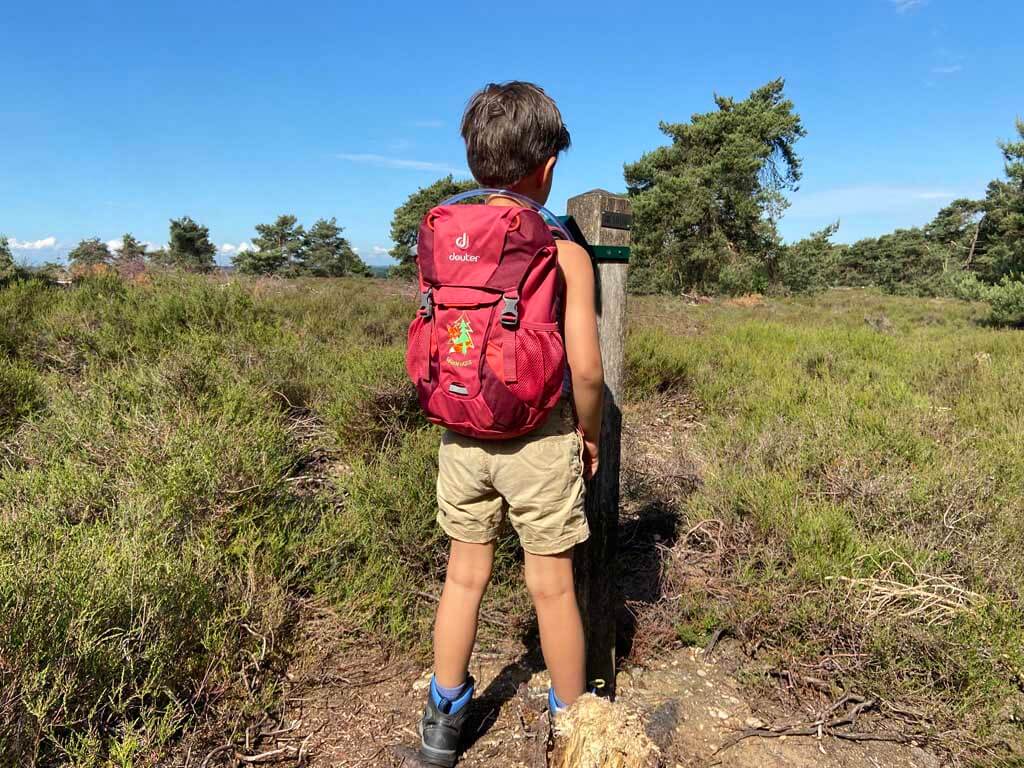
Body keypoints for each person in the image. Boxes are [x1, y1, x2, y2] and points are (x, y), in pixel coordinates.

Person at [417, 81, 604, 767]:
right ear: (549, 165)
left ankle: (442, 722)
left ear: (475, 161)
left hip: (461, 435)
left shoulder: (444, 243)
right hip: (539, 437)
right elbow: (586, 370)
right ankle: (577, 729)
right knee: (551, 587)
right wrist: (589, 433)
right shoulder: (565, 253)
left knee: (463, 579)